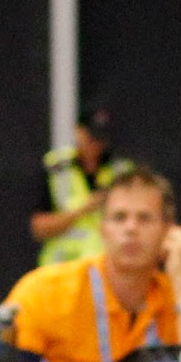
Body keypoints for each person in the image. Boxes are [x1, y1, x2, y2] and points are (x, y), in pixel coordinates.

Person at [3, 165, 181, 362]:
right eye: (119, 217)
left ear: (169, 231)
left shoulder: (180, 301)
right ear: (102, 229)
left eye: (144, 218)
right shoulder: (45, 290)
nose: (131, 228)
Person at [30, 108, 129, 267]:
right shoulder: (56, 167)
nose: (95, 144)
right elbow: (39, 228)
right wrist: (83, 209)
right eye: (91, 137)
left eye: (100, 138)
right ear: (78, 131)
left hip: (108, 270)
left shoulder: (123, 171)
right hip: (63, 268)